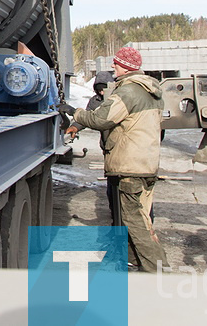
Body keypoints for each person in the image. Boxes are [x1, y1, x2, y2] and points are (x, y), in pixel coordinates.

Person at [60, 47, 168, 271]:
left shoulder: (128, 92)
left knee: (133, 221)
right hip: (146, 165)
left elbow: (101, 119)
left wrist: (74, 112)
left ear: (127, 67)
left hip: (130, 167)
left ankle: (156, 269)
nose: (113, 67)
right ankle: (135, 261)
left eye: (117, 64)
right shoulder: (151, 92)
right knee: (143, 218)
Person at [67, 72, 118, 223]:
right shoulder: (95, 101)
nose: (102, 92)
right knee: (112, 187)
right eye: (99, 89)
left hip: (123, 150)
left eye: (104, 89)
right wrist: (74, 127)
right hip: (108, 150)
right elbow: (88, 118)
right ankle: (115, 216)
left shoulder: (118, 100)